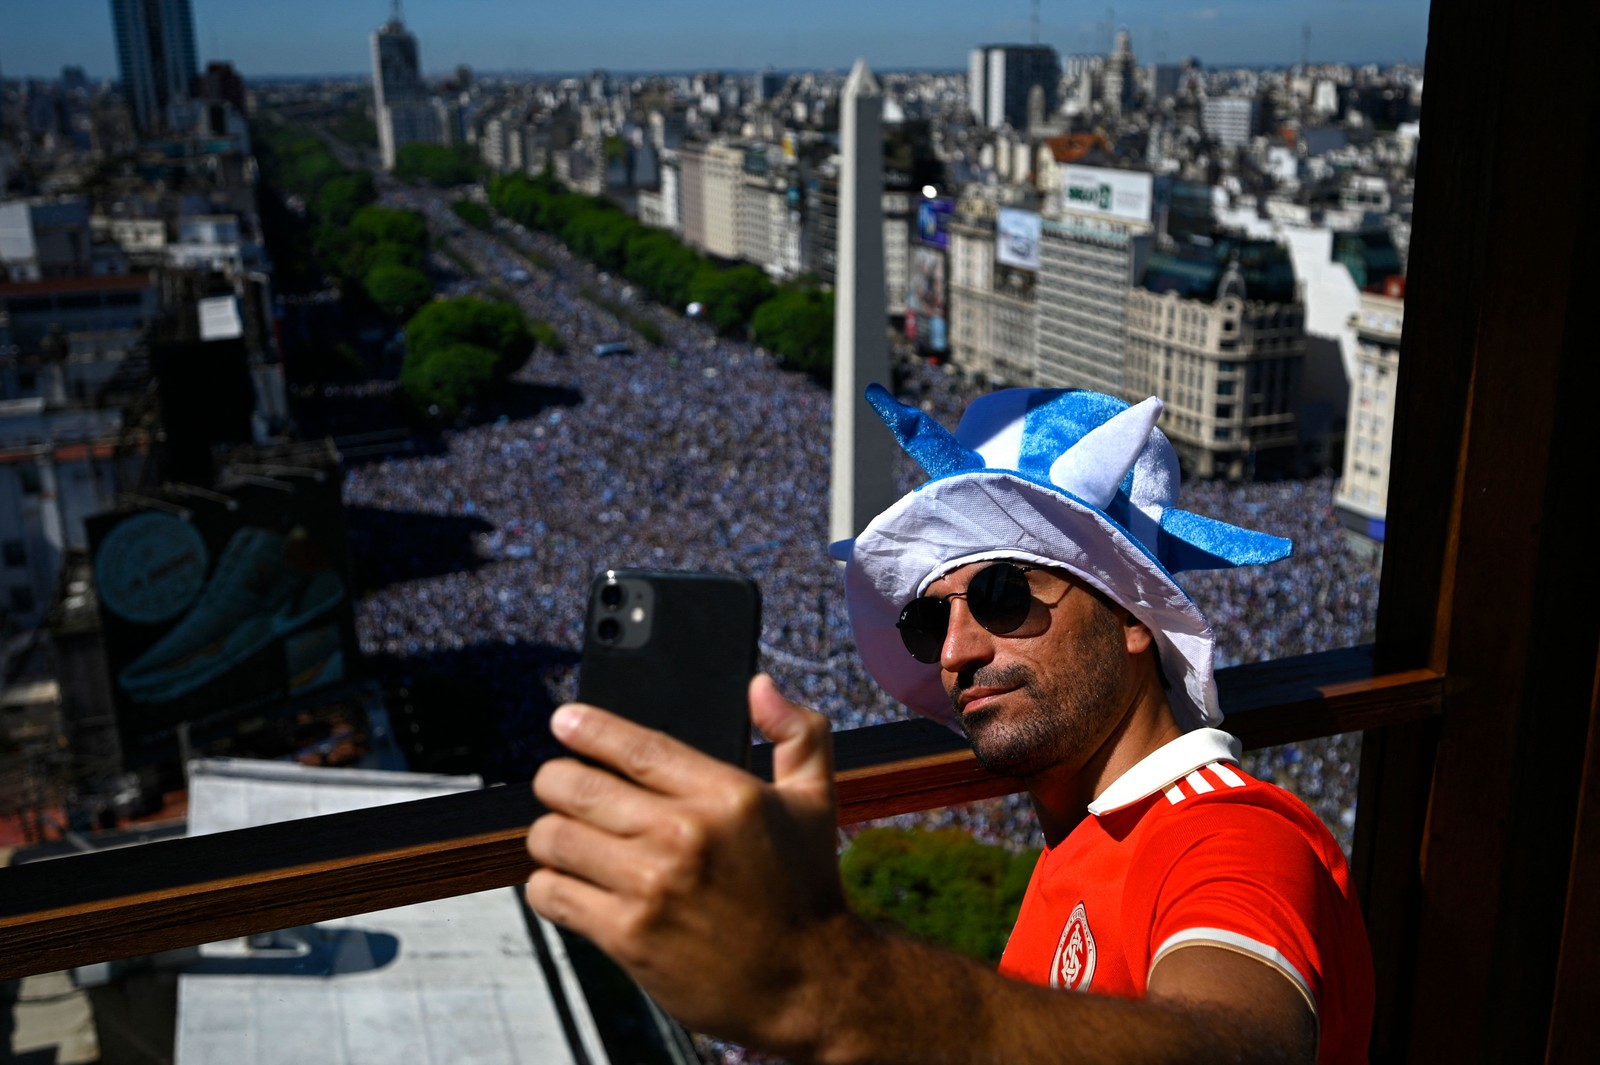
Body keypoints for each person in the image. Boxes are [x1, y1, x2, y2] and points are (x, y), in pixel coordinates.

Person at [525, 385, 1374, 1064]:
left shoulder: (1229, 835)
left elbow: (1246, 1044)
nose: (956, 651)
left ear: (1131, 616)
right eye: (928, 624)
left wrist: (820, 982)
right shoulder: (1081, 836)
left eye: (1003, 596)